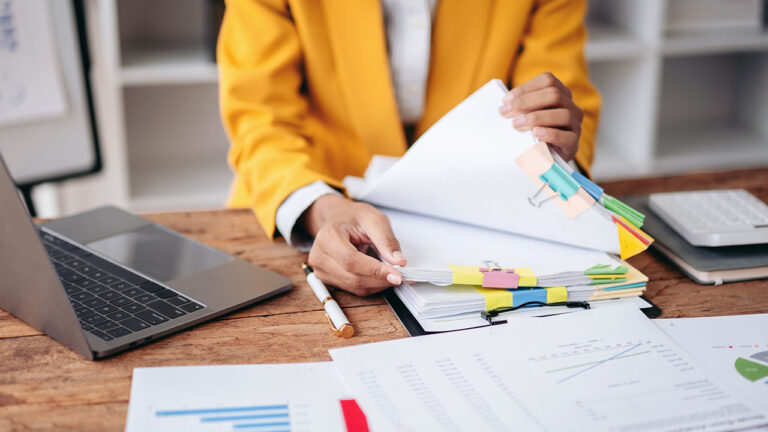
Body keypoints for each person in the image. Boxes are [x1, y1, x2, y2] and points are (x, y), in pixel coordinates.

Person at [218, 0, 600, 296]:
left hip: (483, 217)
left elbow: (559, 97)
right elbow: (260, 119)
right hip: (312, 206)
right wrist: (324, 209)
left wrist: (555, 143)